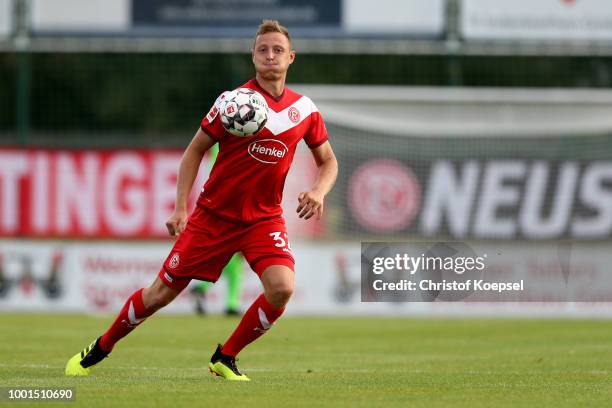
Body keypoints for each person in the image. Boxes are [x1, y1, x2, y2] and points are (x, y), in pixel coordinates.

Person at [65, 19, 338, 382]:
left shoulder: (304, 110)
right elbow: (194, 151)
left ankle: (225, 357)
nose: (270, 56)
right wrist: (181, 206)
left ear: (291, 58)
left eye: (277, 50)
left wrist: (318, 190)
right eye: (262, 50)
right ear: (253, 56)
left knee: (282, 288)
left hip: (263, 219)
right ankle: (100, 347)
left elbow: (329, 161)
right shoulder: (231, 104)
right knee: (159, 295)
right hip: (213, 217)